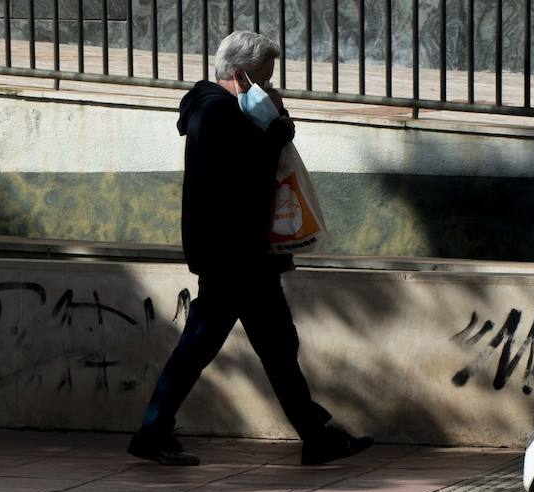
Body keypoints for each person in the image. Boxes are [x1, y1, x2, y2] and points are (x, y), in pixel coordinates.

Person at [128, 30, 373, 467]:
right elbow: (251, 172)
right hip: (234, 255)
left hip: (236, 254)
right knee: (243, 346)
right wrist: (278, 125)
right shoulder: (218, 113)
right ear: (240, 77)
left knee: (265, 344)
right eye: (263, 79)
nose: (269, 87)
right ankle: (155, 429)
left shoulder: (217, 109)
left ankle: (313, 435)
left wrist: (272, 119)